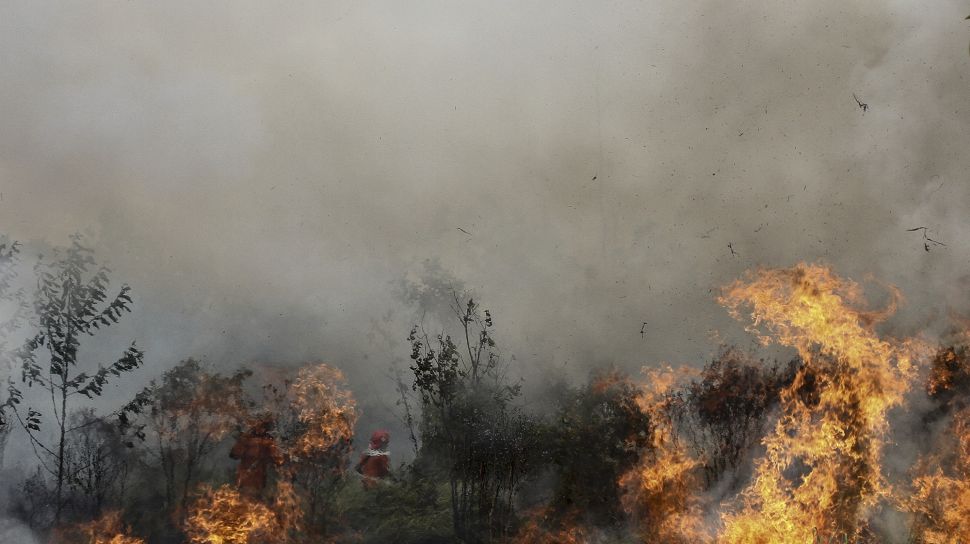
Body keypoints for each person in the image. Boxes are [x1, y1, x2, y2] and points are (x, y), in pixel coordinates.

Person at [229, 416, 284, 496]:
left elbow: (278, 460)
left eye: (262, 426)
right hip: (244, 479)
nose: (259, 428)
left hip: (259, 481)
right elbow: (233, 455)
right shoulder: (246, 438)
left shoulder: (269, 442)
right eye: (258, 425)